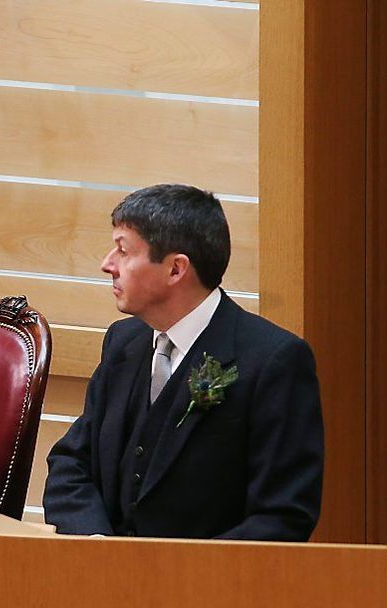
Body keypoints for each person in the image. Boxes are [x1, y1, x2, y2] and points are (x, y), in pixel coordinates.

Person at [42, 184, 324, 540]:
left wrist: (179, 578)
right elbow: (71, 462)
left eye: (123, 251)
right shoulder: (122, 342)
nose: (107, 264)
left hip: (208, 589)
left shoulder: (275, 360)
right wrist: (96, 544)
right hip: (103, 579)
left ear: (176, 269)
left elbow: (284, 515)